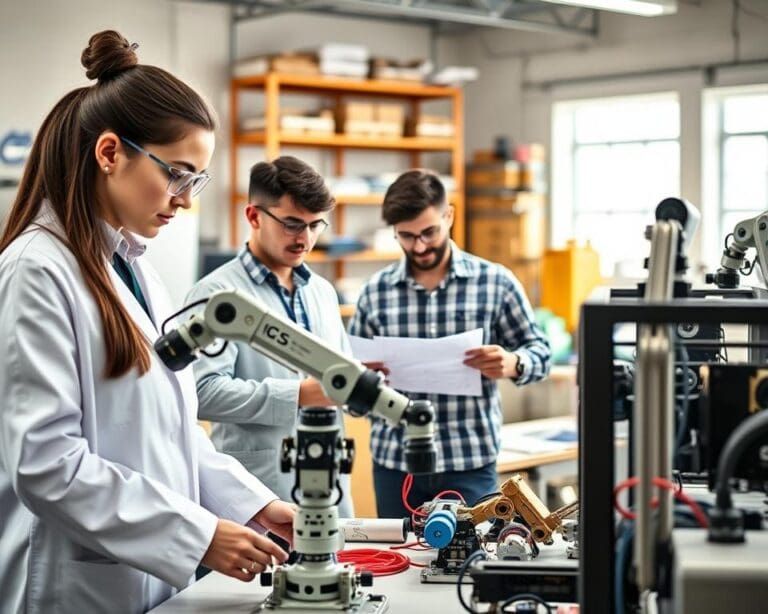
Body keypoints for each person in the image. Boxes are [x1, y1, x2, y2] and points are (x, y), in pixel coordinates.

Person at [0, 31, 294, 614]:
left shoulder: (137, 272)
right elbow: (46, 464)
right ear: (110, 153)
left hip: (146, 578)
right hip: (72, 587)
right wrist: (199, 534)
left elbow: (172, 433)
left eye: (196, 181)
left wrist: (245, 505)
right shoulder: (36, 271)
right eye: (177, 174)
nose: (185, 199)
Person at [348, 169, 552, 518]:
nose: (420, 246)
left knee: (473, 566)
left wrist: (514, 362)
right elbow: (348, 392)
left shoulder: (495, 282)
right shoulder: (374, 292)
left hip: (470, 463)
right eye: (407, 237)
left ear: (450, 216)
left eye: (429, 232)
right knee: (398, 565)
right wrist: (361, 384)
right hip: (396, 467)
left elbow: (541, 353)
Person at [186, 156, 353, 516]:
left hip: (331, 489)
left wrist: (361, 388)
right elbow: (200, 393)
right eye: (293, 224)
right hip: (258, 493)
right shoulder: (217, 295)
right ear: (253, 216)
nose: (305, 238)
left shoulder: (322, 292)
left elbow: (339, 378)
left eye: (316, 225)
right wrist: (297, 395)